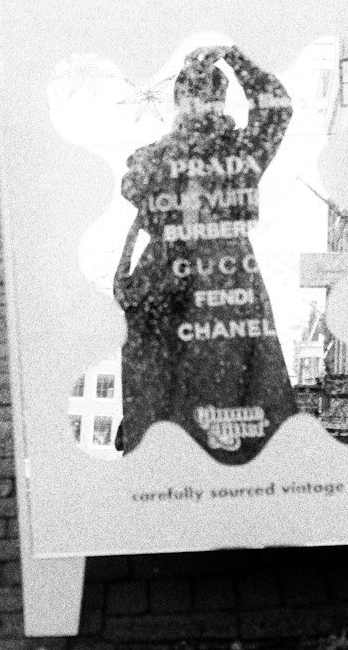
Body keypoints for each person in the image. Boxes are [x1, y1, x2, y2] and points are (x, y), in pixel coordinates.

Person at [112, 45, 298, 463]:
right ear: (178, 102)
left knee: (226, 378)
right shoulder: (156, 156)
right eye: (190, 95)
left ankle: (223, 470)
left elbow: (276, 108)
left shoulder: (239, 151)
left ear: (220, 100)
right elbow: (135, 187)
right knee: (165, 382)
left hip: (222, 277)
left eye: (206, 95)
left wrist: (237, 57)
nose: (198, 104)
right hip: (167, 279)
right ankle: (162, 457)